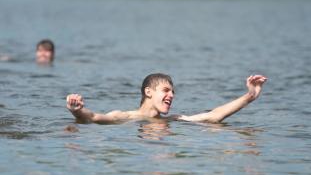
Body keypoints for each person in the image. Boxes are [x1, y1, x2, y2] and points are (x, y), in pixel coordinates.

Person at [66, 73, 267, 124]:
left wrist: (249, 96)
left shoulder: (175, 120)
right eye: (166, 90)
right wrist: (77, 111)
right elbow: (93, 118)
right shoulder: (126, 117)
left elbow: (214, 116)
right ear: (148, 92)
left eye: (173, 92)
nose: (171, 95)